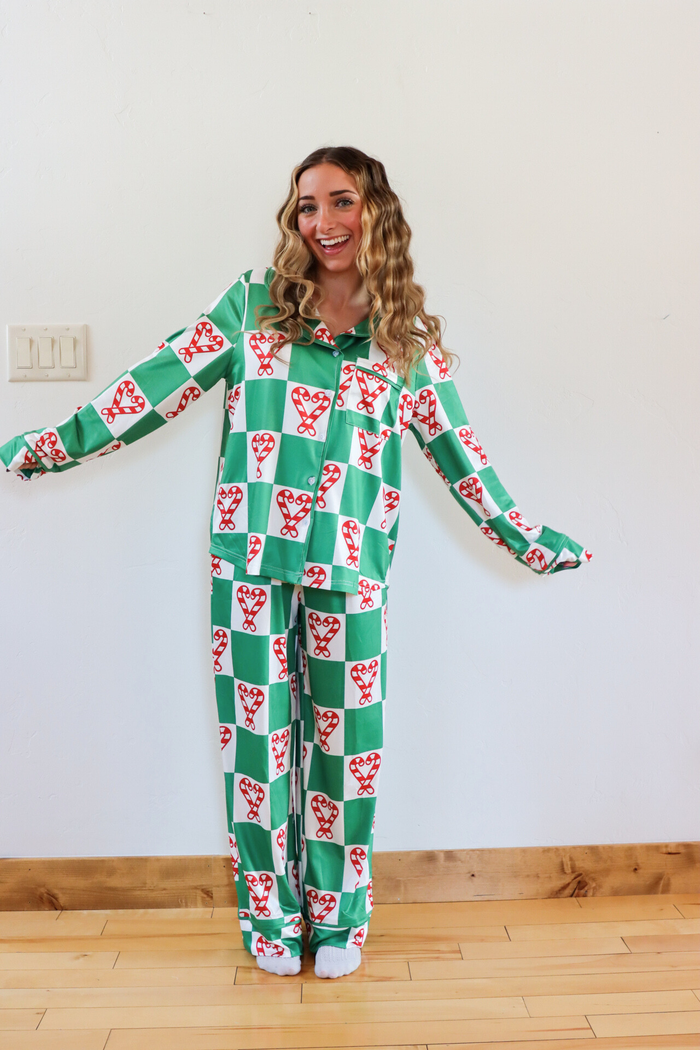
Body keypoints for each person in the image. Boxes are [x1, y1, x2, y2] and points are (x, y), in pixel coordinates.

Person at [1, 145, 591, 980]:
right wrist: (43, 447)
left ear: (375, 211)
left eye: (340, 201)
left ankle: (340, 916)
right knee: (258, 747)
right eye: (307, 206)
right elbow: (151, 387)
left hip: (350, 569)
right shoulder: (252, 309)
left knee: (347, 751)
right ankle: (270, 915)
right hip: (249, 561)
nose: (322, 222)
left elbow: (463, 457)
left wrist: (529, 538)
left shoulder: (404, 343)